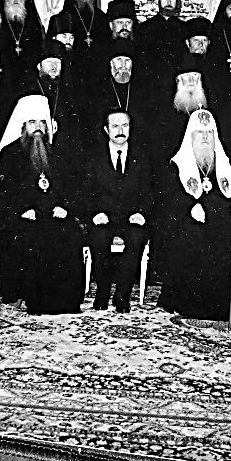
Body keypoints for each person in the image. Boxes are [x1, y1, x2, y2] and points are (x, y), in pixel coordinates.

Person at [156, 108, 231, 321]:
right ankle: (198, 306)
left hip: (225, 221)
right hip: (191, 221)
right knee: (194, 240)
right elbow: (169, 199)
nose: (205, 137)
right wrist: (189, 206)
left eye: (209, 133)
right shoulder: (177, 165)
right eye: (200, 133)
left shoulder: (226, 163)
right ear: (191, 137)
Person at [0, 95, 83, 315]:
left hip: (55, 214)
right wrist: (21, 210)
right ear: (23, 126)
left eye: (42, 122)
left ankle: (67, 301)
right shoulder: (9, 154)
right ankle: (37, 301)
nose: (38, 128)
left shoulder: (57, 153)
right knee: (34, 236)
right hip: (23, 217)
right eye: (32, 123)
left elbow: (72, 187)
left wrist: (65, 207)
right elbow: (1, 193)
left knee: (69, 233)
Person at [82, 109, 153, 312]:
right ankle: (103, 291)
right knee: (99, 237)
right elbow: (85, 193)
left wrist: (142, 213)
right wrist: (95, 213)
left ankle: (123, 294)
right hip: (103, 217)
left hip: (132, 218)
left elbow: (149, 192)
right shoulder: (93, 158)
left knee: (137, 237)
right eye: (115, 126)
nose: (120, 130)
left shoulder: (142, 157)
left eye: (125, 125)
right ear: (106, 130)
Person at [138, 0, 187, 88]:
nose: (169, 3)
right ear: (158, 0)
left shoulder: (184, 28)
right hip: (151, 84)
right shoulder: (144, 28)